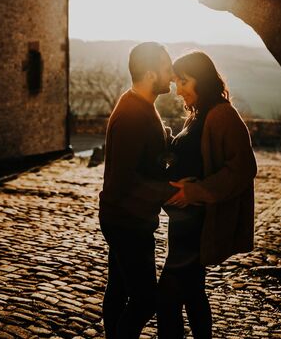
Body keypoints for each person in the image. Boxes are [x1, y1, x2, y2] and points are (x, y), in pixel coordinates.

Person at [157, 51, 257, 339]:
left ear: (202, 80)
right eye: (176, 81)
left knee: (167, 299)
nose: (178, 89)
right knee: (192, 293)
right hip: (184, 227)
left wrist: (195, 190)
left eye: (183, 81)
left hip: (199, 227)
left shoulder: (222, 115)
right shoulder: (198, 114)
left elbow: (243, 169)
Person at [99, 42, 177, 339]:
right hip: (127, 222)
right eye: (166, 68)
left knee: (118, 289)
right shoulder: (133, 114)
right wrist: (169, 191)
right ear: (149, 73)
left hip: (122, 218)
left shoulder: (139, 105)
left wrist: (164, 142)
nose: (171, 75)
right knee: (145, 300)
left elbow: (142, 156)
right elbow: (124, 180)